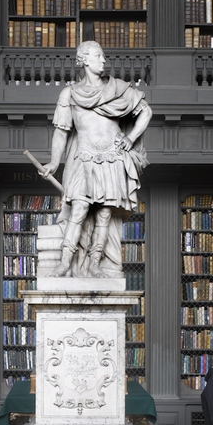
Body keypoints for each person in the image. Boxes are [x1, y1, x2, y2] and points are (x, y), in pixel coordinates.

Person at [38, 40, 152, 278]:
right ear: (84, 60)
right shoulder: (69, 93)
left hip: (112, 158)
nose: (103, 60)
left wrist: (130, 139)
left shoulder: (118, 89)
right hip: (84, 158)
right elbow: (61, 131)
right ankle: (64, 262)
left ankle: (94, 264)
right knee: (78, 209)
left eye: (103, 56)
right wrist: (54, 162)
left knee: (104, 214)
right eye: (98, 56)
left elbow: (146, 112)